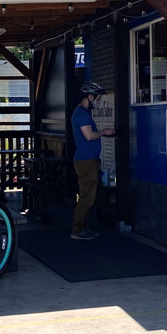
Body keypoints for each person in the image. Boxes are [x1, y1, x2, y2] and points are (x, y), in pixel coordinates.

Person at [71, 81, 114, 240]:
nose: (98, 101)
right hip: (86, 161)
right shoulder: (82, 114)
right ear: (89, 97)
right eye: (96, 98)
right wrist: (104, 131)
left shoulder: (81, 113)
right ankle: (77, 229)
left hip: (87, 160)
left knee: (88, 195)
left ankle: (83, 228)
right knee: (87, 197)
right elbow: (89, 136)